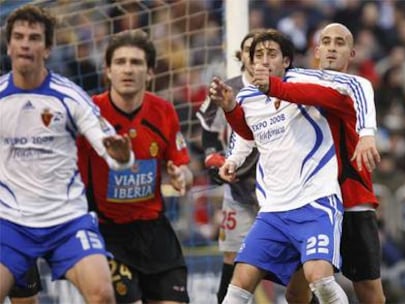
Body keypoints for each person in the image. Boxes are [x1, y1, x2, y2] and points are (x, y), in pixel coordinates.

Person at [223, 23, 385, 304]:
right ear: (316, 51)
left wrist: (368, 133)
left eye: (340, 43)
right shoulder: (295, 86)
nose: (333, 47)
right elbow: (253, 128)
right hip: (305, 203)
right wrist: (232, 157)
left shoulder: (346, 91)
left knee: (368, 290)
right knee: (297, 291)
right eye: (326, 41)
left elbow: (360, 85)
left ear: (352, 53)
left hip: (350, 199)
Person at [0, 5, 135, 304]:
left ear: (47, 49)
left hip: (67, 221)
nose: (25, 44)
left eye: (34, 38)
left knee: (102, 295)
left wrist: (122, 156)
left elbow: (112, 148)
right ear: (9, 45)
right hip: (11, 222)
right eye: (19, 37)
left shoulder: (70, 96)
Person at [77, 29, 194, 304]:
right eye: (120, 62)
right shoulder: (89, 113)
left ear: (150, 72)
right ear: (107, 71)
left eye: (136, 62)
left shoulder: (164, 111)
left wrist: (182, 177)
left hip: (153, 229)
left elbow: (182, 166)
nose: (128, 69)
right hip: (107, 232)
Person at [196, 30, 260, 303]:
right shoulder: (225, 89)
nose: (256, 55)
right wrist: (213, 157)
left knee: (297, 265)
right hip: (238, 188)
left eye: (263, 50)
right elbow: (208, 129)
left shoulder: (285, 89)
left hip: (280, 192)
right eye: (250, 50)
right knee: (232, 257)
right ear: (241, 55)